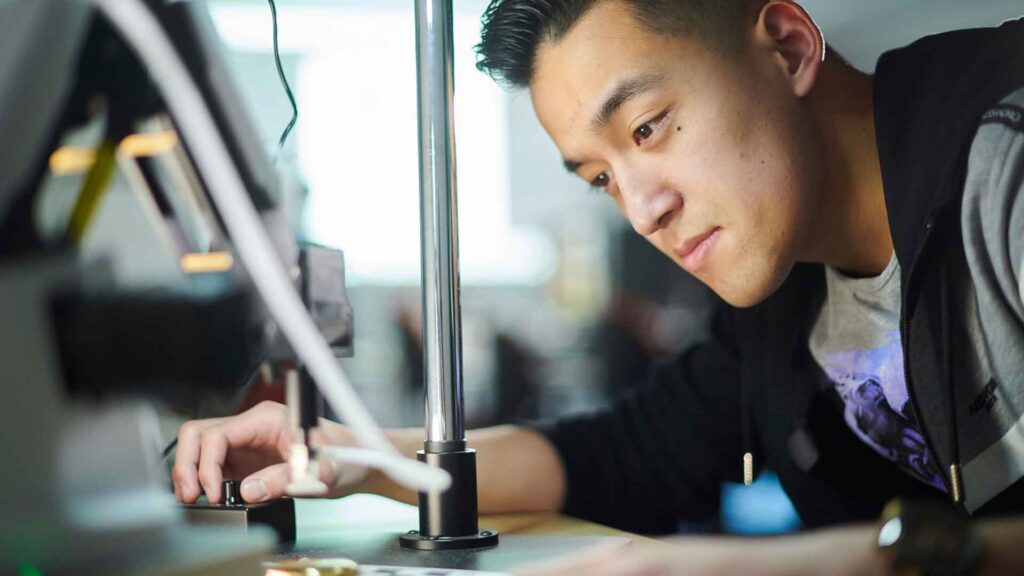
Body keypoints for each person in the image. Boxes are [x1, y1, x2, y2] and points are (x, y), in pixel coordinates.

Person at [173, 1, 1024, 573]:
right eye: (599, 178)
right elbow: (620, 455)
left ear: (790, 47)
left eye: (648, 127)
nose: (642, 210)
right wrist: (339, 453)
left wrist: (756, 566)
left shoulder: (1007, 156)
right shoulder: (783, 303)